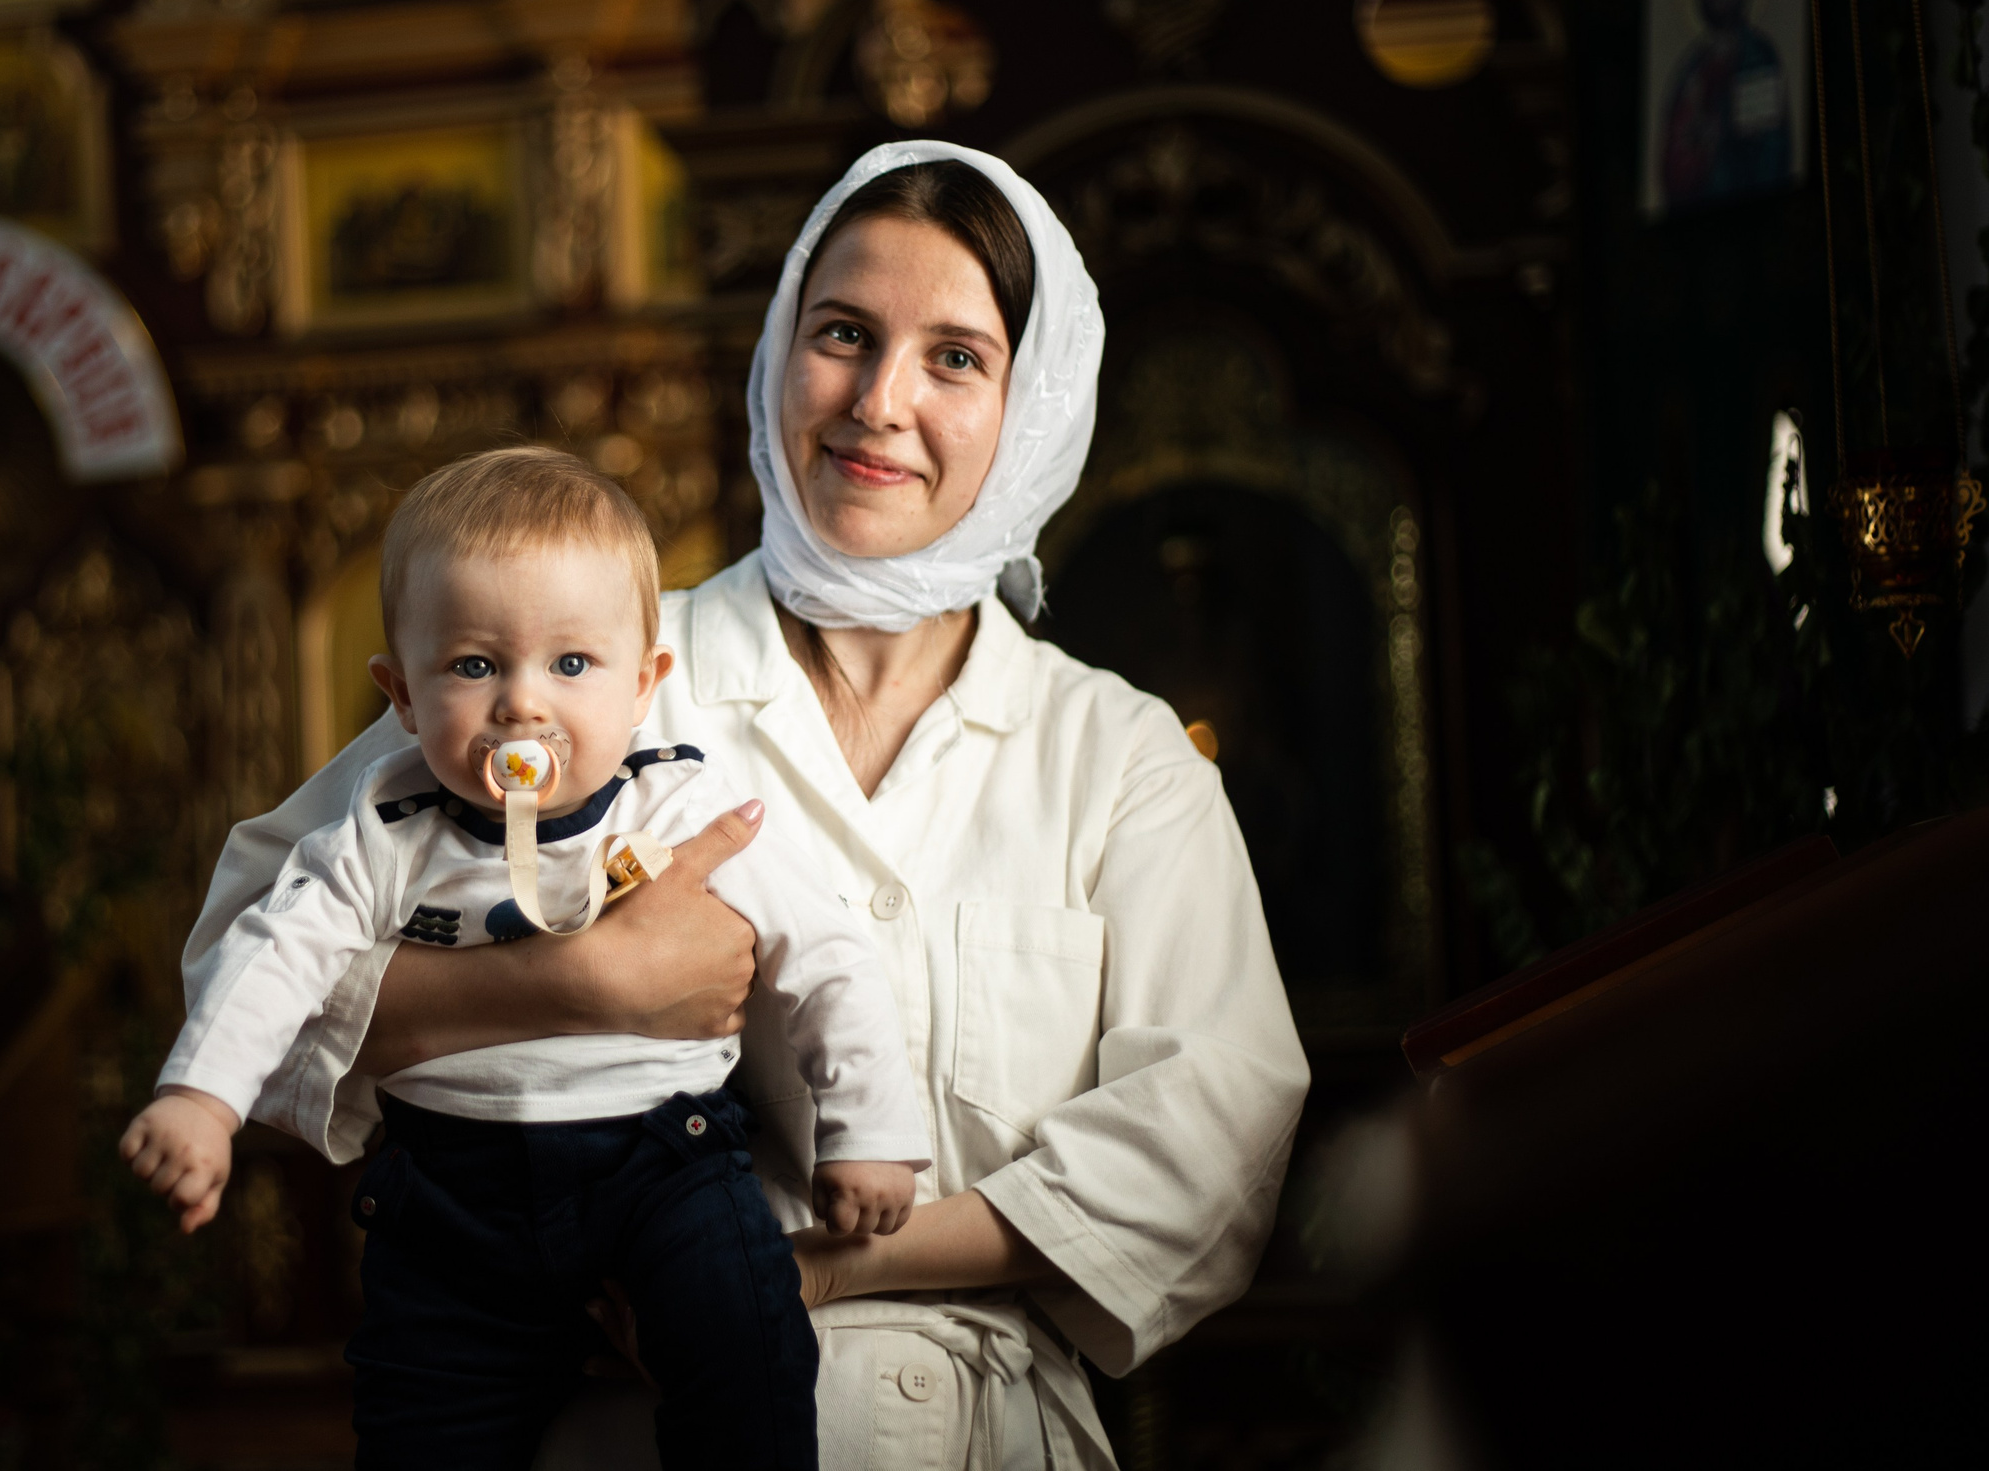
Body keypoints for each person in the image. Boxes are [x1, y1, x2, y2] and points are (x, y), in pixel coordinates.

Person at [183, 141, 1312, 1467]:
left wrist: (816, 1267)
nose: (878, 401)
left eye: (954, 357)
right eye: (843, 334)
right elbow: (238, 952)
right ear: (780, 347)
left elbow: (1209, 1143)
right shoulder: (582, 667)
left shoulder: (1117, 757)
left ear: (1035, 405)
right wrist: (574, 985)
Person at [123, 446, 930, 1470]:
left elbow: (828, 956)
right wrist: (202, 1099)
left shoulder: (682, 807)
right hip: (450, 1194)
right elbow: (272, 956)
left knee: (748, 1357)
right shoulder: (381, 831)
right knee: (422, 1417)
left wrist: (869, 1133)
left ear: (644, 685)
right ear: (401, 695)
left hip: (666, 1164)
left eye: (571, 664)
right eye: (473, 666)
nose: (522, 704)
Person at [1659, 0, 1792, 209]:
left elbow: (1765, 133)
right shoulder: (1693, 63)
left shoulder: (1756, 54)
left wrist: (1721, 131)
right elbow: (1677, 132)